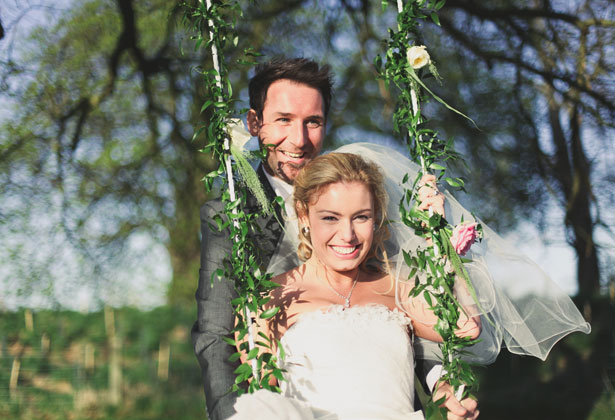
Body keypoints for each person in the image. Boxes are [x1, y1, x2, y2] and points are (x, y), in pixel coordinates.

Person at [191, 58, 478, 420]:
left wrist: (441, 381)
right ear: (254, 125)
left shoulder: (362, 193)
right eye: (283, 120)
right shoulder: (229, 215)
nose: (299, 139)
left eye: (312, 122)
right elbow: (217, 335)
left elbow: (414, 309)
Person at [229, 152, 481, 420]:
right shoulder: (267, 301)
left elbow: (465, 327)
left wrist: (439, 241)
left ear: (375, 218)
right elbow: (264, 403)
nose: (347, 235)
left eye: (360, 217)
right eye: (330, 218)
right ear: (304, 215)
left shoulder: (395, 288)